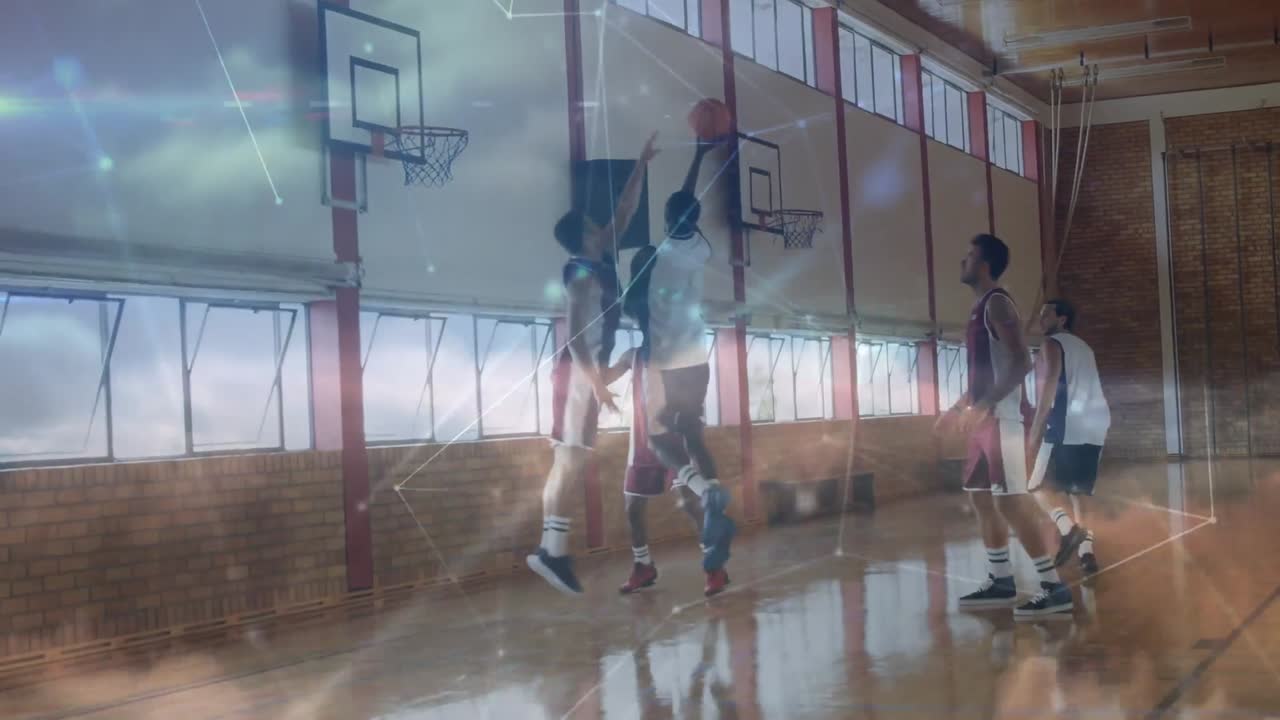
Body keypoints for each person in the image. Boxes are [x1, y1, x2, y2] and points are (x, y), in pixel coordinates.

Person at [528, 132, 658, 595]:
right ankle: (552, 553)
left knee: (568, 459)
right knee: (570, 460)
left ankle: (551, 550)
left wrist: (640, 164)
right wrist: (598, 385)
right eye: (592, 227)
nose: (602, 229)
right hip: (577, 374)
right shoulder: (581, 276)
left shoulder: (600, 260)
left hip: (583, 375)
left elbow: (624, 212)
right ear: (583, 237)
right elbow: (576, 339)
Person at [936, 233, 1073, 617]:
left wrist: (984, 406)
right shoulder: (979, 308)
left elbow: (1021, 362)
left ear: (983, 265)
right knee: (981, 498)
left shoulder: (997, 303)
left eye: (969, 256)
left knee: (1011, 503)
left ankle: (1055, 588)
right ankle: (1001, 580)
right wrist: (957, 408)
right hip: (984, 421)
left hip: (1005, 421)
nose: (962, 261)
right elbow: (983, 375)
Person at [622, 136, 735, 598]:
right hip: (697, 363)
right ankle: (711, 499)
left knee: (657, 442)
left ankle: (704, 494)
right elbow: (686, 206)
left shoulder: (645, 283)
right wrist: (698, 156)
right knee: (692, 437)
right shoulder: (696, 249)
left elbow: (629, 310)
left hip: (664, 368)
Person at [1026, 299, 1110, 575]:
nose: (1041, 318)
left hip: (1067, 424)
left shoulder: (1052, 343)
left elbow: (1049, 386)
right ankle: (1087, 554)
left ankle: (1068, 530)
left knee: (1036, 487)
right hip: (1095, 424)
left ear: (1062, 319)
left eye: (1046, 314)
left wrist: (1035, 431)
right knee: (1078, 492)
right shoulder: (1084, 347)